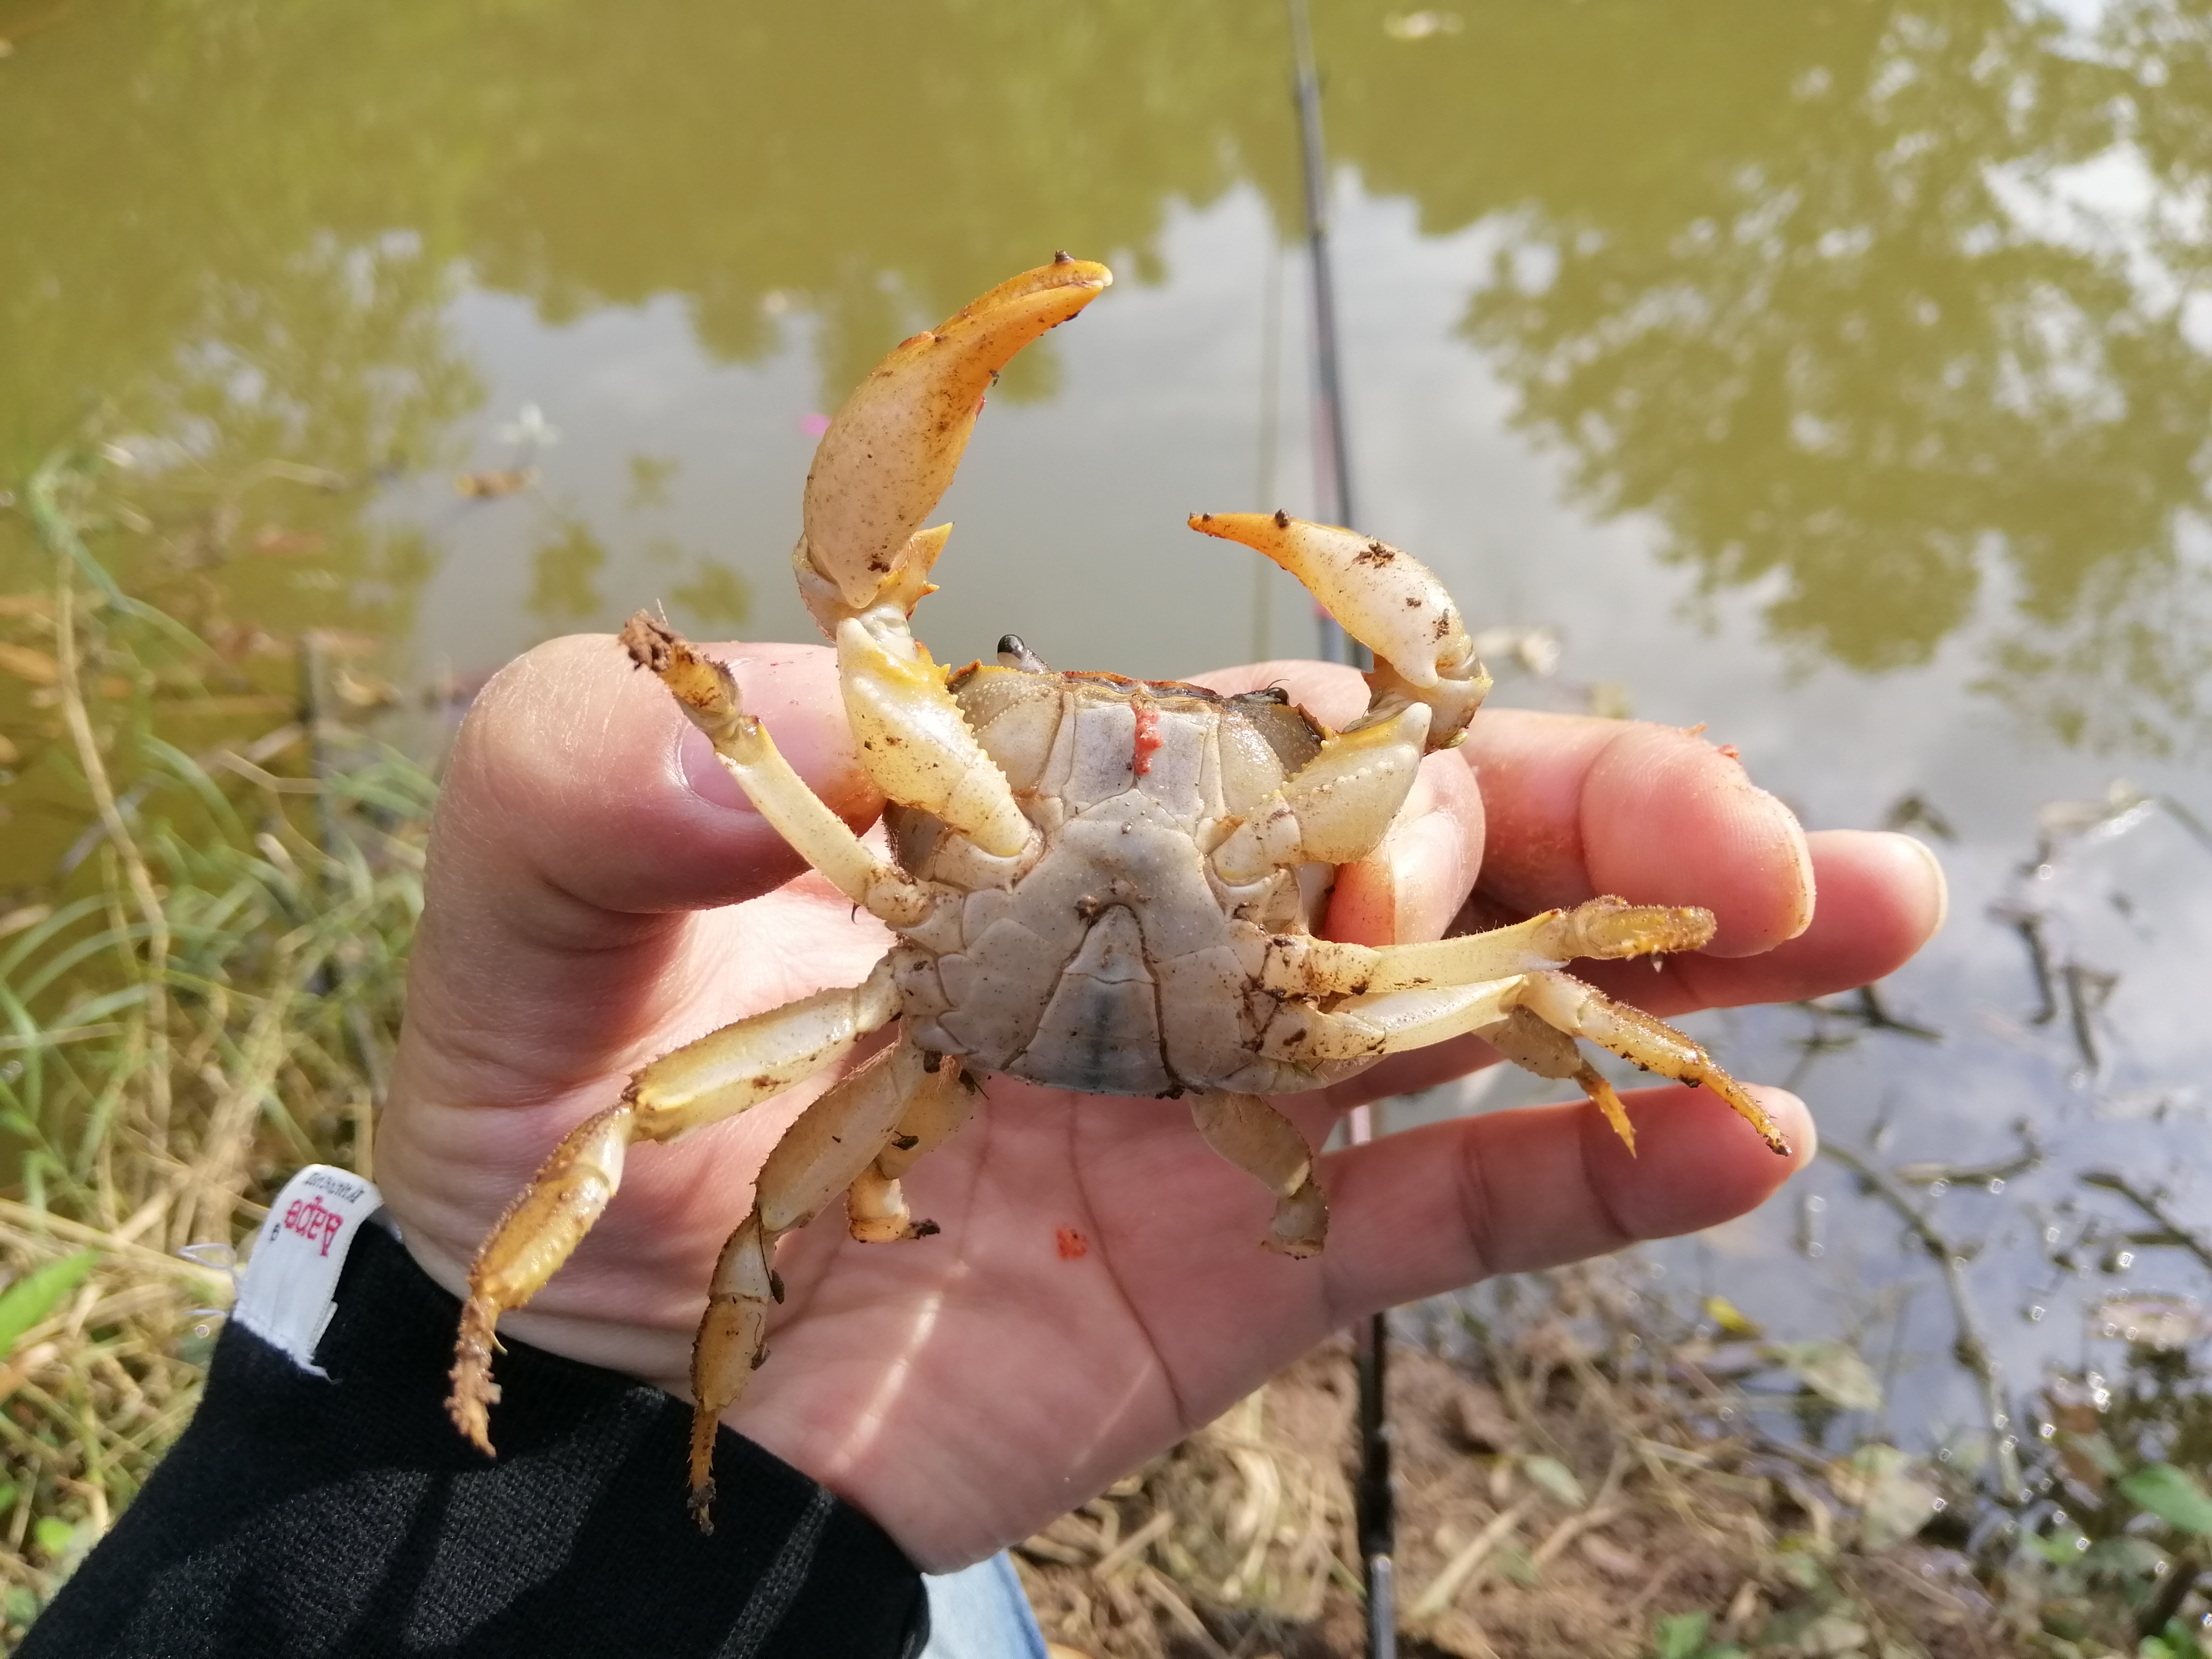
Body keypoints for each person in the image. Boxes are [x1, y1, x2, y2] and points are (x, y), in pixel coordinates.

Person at [24, 635, 1945, 1658]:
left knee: (1547, 941)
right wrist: (498, 1351)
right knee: (719, 1178)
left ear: (1296, 776)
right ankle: (658, 1412)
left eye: (1223, 731)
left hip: (1251, 1033)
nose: (1134, 756)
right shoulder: (873, 871)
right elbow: (806, 742)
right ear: (962, 724)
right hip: (912, 1029)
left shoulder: (1317, 888)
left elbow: (1533, 931)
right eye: (1043, 711)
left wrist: (1589, 991)